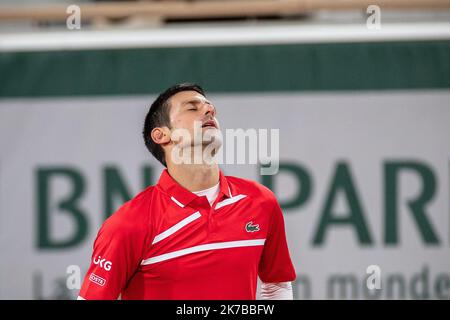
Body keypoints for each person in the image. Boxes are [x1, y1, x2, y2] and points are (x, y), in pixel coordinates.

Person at [78, 83, 296, 300]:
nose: (209, 110)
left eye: (210, 107)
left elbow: (277, 286)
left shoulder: (261, 202)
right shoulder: (129, 223)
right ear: (161, 135)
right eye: (192, 108)